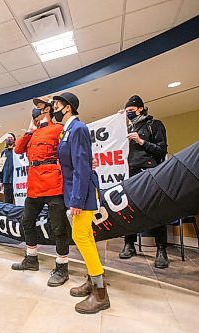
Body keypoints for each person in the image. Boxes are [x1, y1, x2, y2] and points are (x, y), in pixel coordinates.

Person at [54, 92, 110, 314]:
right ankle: (92, 279)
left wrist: (77, 199)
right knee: (85, 236)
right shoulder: (67, 131)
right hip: (75, 191)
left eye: (57, 105)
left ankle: (101, 293)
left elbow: (81, 167)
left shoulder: (78, 129)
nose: (54, 109)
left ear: (67, 108)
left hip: (83, 193)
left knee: (80, 236)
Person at [11, 97, 72, 287]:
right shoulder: (33, 133)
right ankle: (31, 259)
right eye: (35, 109)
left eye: (40, 108)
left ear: (49, 110)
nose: (36, 111)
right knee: (26, 221)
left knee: (58, 227)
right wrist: (30, 128)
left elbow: (68, 152)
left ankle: (62, 267)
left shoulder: (58, 129)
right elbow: (19, 149)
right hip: (34, 184)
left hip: (53, 183)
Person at [118, 95, 169, 269]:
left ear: (141, 108)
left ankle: (161, 250)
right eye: (127, 112)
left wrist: (141, 141)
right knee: (130, 210)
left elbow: (162, 151)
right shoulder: (127, 127)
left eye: (131, 111)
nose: (129, 114)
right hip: (132, 173)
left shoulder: (154, 125)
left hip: (150, 172)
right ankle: (129, 244)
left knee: (156, 210)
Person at [0, 133, 16, 204]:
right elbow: (0, 168)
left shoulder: (17, 151)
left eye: (11, 137)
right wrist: (1, 181)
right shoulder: (3, 153)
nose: (9, 139)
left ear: (14, 140)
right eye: (8, 138)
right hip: (6, 181)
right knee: (7, 201)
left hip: (16, 180)